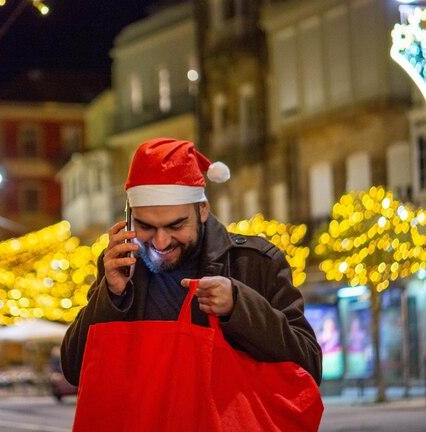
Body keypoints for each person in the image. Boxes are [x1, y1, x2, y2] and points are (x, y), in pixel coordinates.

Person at [61, 138, 322, 386]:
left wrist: (238, 306)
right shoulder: (121, 265)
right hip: (143, 431)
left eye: (176, 225)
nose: (161, 242)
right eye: (146, 226)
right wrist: (111, 296)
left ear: (203, 210)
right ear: (129, 218)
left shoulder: (254, 262)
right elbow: (75, 370)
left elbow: (308, 365)